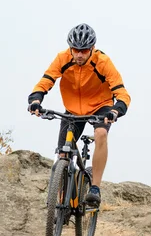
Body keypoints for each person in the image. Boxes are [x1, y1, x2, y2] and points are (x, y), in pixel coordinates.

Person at [27, 23, 131, 206]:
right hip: (73, 109)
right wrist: (36, 100)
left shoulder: (103, 62)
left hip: (101, 105)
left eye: (84, 50)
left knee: (101, 133)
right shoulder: (62, 58)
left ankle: (95, 188)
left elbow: (122, 93)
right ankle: (59, 203)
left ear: (92, 48)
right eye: (76, 50)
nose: (80, 54)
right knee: (62, 154)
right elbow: (46, 80)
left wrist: (116, 110)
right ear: (70, 48)